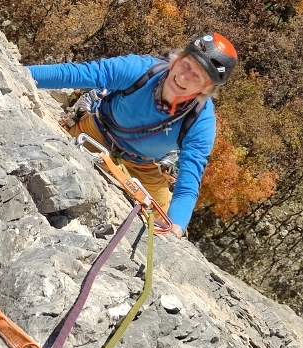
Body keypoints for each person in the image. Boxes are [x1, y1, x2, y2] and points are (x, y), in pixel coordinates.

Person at [27, 32, 237, 239]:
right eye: (186, 65)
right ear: (178, 58)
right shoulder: (141, 70)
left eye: (196, 76)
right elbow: (78, 73)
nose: (183, 77)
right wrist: (23, 74)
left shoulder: (201, 122)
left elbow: (189, 179)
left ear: (206, 88)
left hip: (141, 164)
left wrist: (177, 226)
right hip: (96, 132)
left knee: (163, 220)